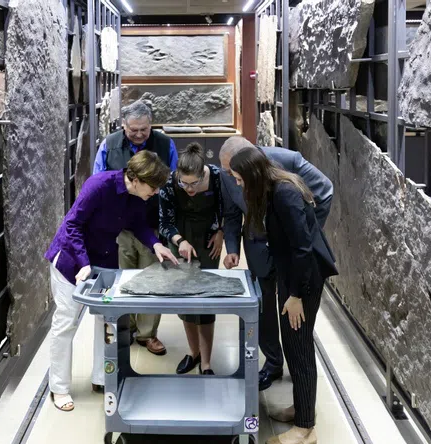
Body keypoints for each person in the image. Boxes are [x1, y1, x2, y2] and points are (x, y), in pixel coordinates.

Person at [43, 151, 178, 411]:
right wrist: (83, 263)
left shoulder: (138, 197)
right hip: (71, 259)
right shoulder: (99, 185)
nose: (156, 192)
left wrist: (156, 244)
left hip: (103, 260)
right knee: (66, 322)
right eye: (154, 186)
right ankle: (58, 388)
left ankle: (101, 378)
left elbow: (137, 225)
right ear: (136, 179)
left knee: (107, 321)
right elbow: (72, 225)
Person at [229, 147, 337, 444]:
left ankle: (305, 431)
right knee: (293, 344)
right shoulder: (274, 187)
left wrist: (295, 296)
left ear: (252, 175)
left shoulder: (285, 194)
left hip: (303, 280)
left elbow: (303, 249)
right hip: (294, 275)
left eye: (239, 179)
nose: (238, 185)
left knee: (298, 347)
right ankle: (303, 411)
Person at [219, 136, 333, 391]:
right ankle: (272, 363)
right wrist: (233, 248)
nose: (230, 178)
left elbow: (325, 191)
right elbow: (232, 213)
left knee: (294, 316)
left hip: (291, 254)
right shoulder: (229, 174)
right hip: (258, 248)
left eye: (234, 173)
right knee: (263, 306)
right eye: (227, 172)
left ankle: (300, 373)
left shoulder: (287, 161)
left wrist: (301, 232)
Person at [93, 100, 178, 357]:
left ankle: (147, 334)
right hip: (119, 227)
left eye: (144, 129)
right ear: (123, 125)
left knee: (153, 279)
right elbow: (98, 180)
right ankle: (125, 327)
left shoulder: (165, 144)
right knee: (123, 276)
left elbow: (172, 183)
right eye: (134, 130)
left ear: (150, 125)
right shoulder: (109, 144)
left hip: (152, 225)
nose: (139, 134)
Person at [159, 143, 225, 375]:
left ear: (203, 173)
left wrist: (221, 232)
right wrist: (179, 241)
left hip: (209, 241)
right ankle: (193, 352)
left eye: (194, 183)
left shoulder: (217, 176)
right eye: (183, 183)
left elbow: (226, 208)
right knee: (186, 299)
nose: (188, 188)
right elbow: (164, 222)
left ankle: (206, 363)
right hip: (180, 240)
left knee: (205, 299)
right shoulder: (169, 182)